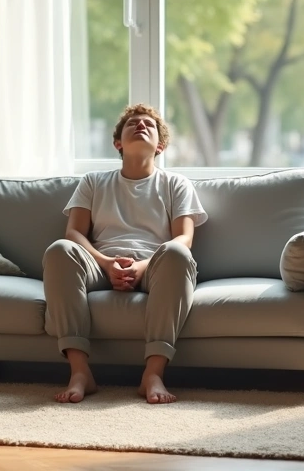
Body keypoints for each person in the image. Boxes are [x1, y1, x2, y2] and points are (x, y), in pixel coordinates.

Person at [43, 104, 208, 404]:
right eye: (133, 123)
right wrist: (106, 264)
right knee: (60, 250)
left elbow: (184, 237)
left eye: (149, 124)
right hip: (100, 265)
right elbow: (74, 233)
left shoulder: (176, 184)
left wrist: (143, 267)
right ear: (118, 142)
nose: (141, 125)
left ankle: (153, 374)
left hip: (154, 266)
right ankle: (80, 372)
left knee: (177, 252)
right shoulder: (93, 182)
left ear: (160, 145)